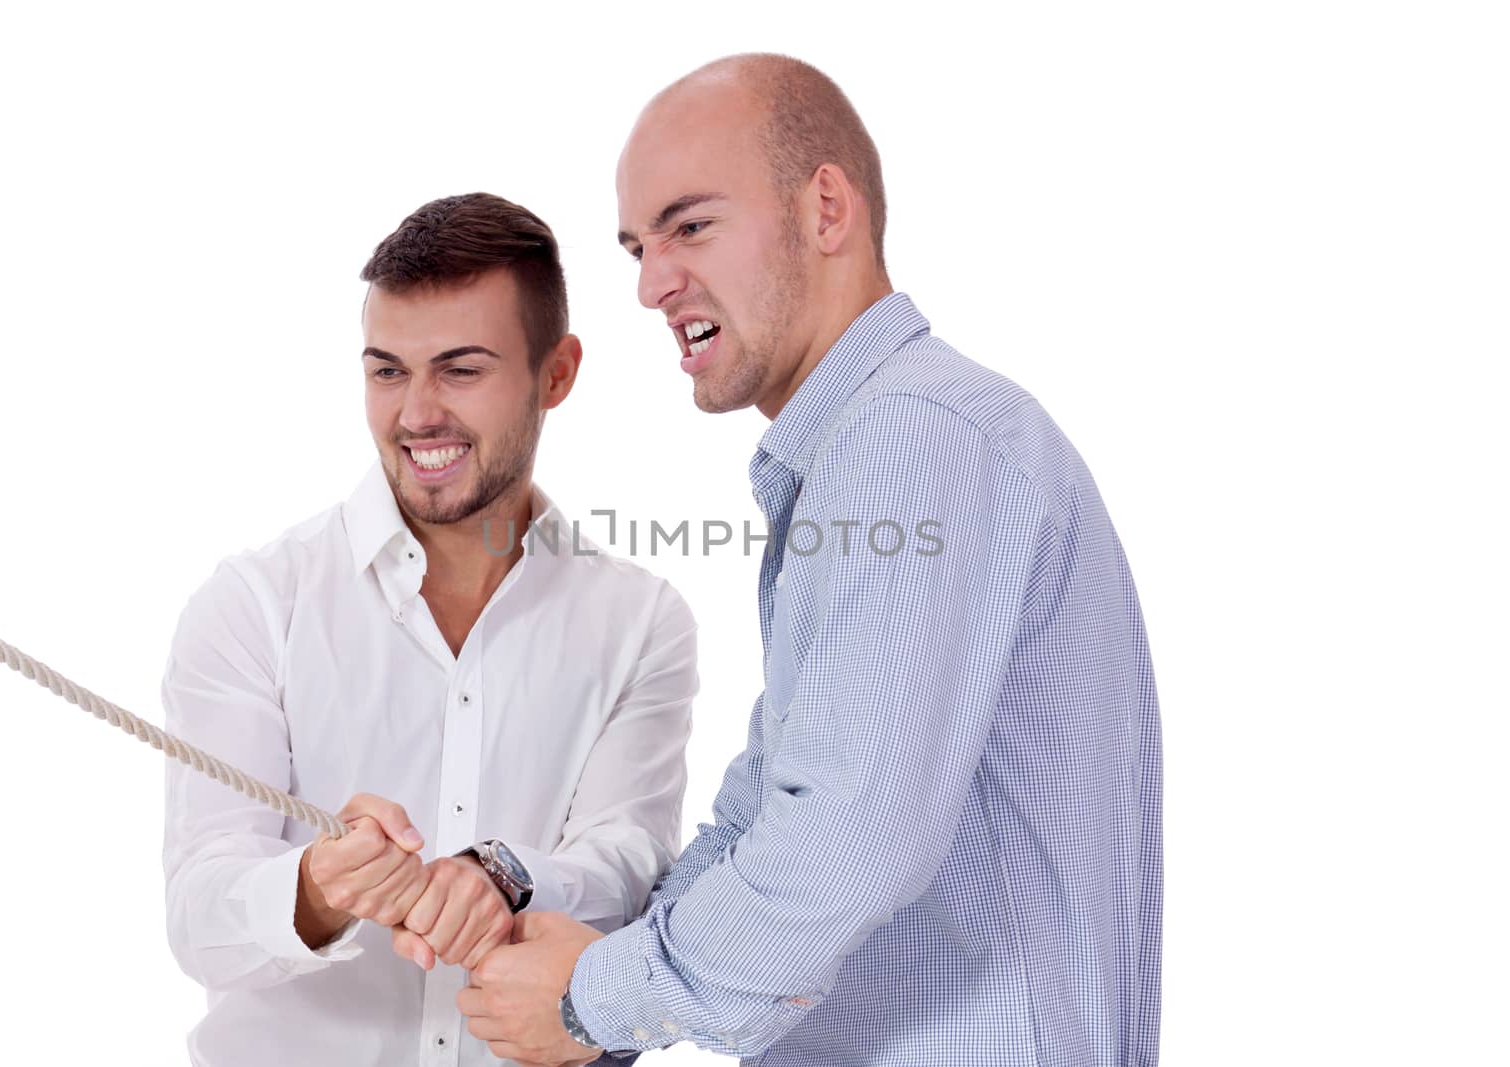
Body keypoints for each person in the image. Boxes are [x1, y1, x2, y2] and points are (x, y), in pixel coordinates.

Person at [458, 54, 1163, 1067]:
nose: (653, 282)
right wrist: (546, 928)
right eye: (637, 247)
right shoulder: (863, 453)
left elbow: (845, 844)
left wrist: (587, 1003)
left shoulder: (910, 436)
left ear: (825, 208)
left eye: (689, 225)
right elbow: (768, 813)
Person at [161, 193, 697, 1067]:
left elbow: (631, 864)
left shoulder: (640, 622)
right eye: (387, 370)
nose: (416, 415)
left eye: (460, 369)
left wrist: (505, 875)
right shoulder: (253, 603)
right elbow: (198, 915)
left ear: (556, 373)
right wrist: (315, 889)